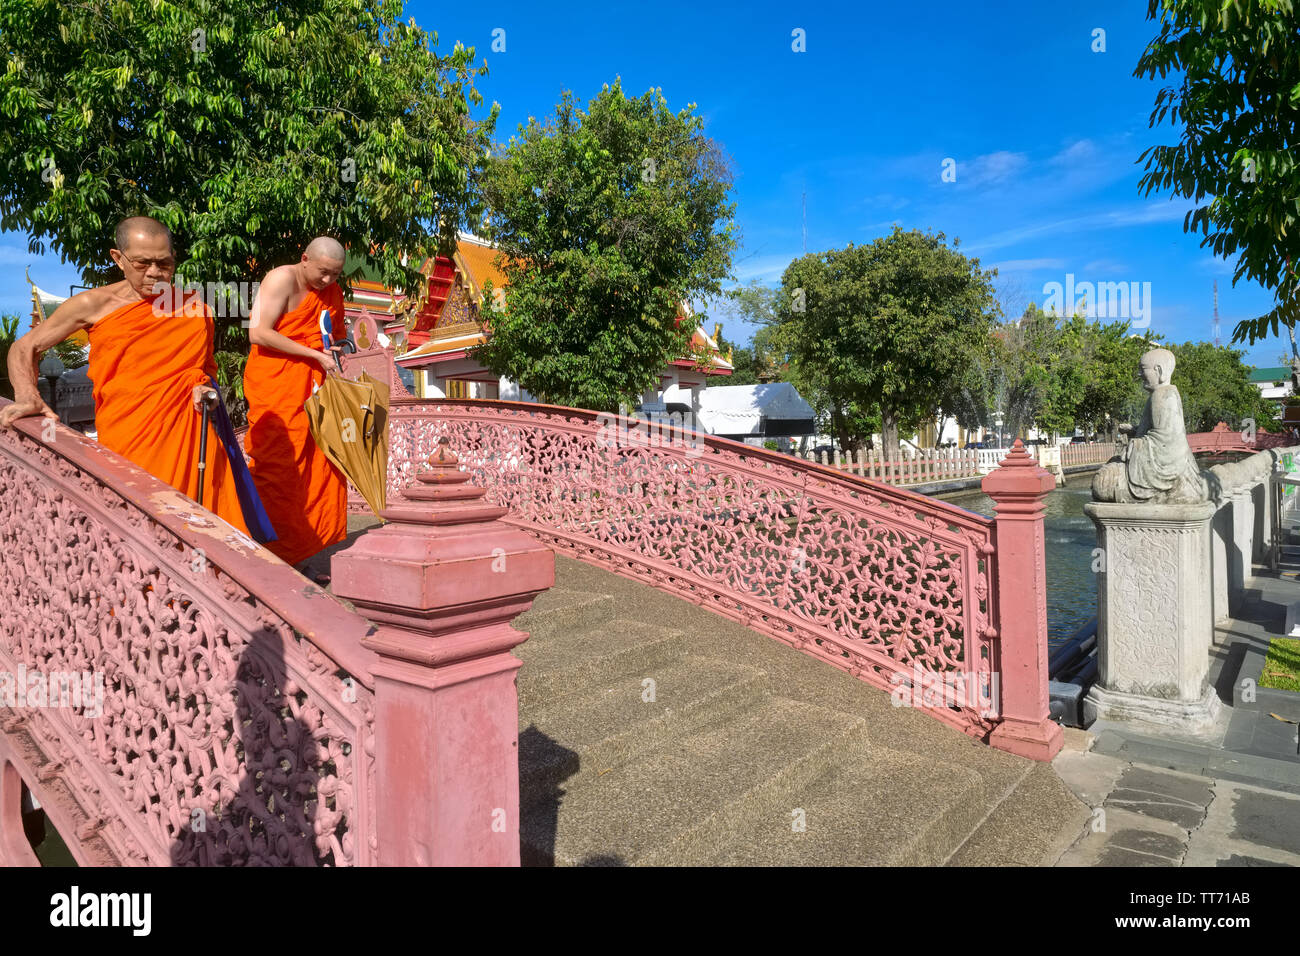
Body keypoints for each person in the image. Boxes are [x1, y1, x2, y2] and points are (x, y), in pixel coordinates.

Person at [0, 217, 253, 533]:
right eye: (142, 263)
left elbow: (202, 369)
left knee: (205, 528)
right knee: (139, 525)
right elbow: (24, 348)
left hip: (189, 432)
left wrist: (202, 386)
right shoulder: (94, 303)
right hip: (130, 437)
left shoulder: (192, 307)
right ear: (118, 259)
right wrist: (28, 395)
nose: (154, 273)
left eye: (164, 263)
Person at [244, 237, 349, 573]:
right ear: (304, 259)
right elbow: (258, 333)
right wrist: (314, 354)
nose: (327, 281)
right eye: (322, 273)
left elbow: (335, 332)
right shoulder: (281, 279)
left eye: (335, 275)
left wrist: (334, 350)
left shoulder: (332, 291)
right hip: (277, 386)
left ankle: (296, 557)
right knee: (278, 469)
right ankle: (266, 559)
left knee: (315, 471)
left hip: (313, 388)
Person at [1092, 347, 1207, 503]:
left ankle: (1159, 494)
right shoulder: (1169, 393)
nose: (1140, 374)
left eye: (1143, 369)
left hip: (1164, 469)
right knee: (1109, 470)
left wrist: (1136, 444)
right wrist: (1135, 430)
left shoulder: (1161, 395)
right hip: (1173, 464)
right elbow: (1162, 433)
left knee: (1103, 482)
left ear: (1159, 371)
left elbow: (1165, 444)